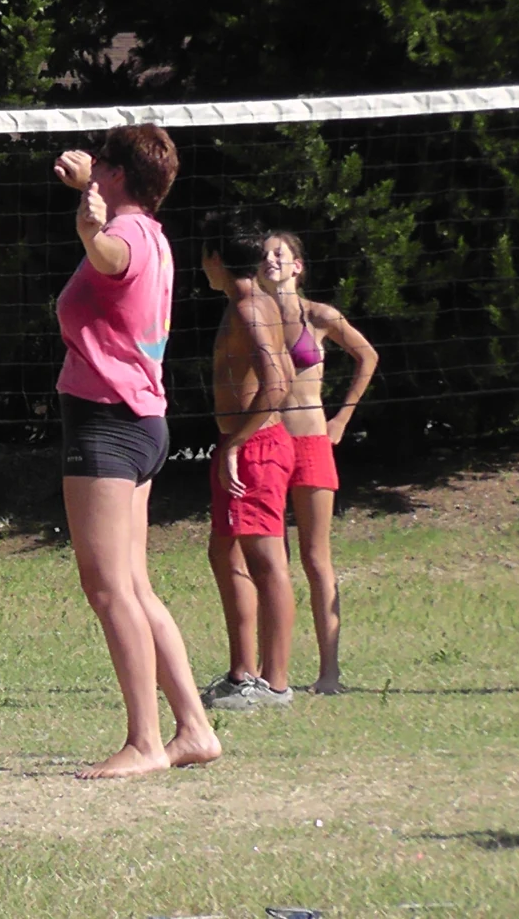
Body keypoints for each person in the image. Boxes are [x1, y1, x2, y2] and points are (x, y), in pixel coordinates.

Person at [51, 126, 222, 778]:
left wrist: (89, 227)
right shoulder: (153, 232)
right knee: (134, 585)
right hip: (141, 422)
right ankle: (194, 729)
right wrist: (90, 209)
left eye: (101, 159)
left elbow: (107, 257)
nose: (90, 163)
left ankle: (145, 741)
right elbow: (111, 252)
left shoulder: (122, 237)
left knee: (107, 588)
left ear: (117, 173)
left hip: (107, 425)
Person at [261, 231, 378, 694]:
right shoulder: (251, 316)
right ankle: (272, 672)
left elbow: (367, 355)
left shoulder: (320, 316)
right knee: (271, 560)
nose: (270, 260)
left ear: (297, 266)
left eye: (279, 254)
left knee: (315, 557)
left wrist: (342, 418)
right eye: (264, 254)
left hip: (311, 440)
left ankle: (329, 673)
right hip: (268, 443)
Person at [199, 214, 298, 710]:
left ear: (214, 258)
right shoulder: (241, 303)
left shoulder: (251, 309)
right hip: (239, 442)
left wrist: (237, 443)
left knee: (266, 560)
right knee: (225, 553)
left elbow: (277, 384)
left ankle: (275, 684)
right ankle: (242, 673)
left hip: (254, 446)